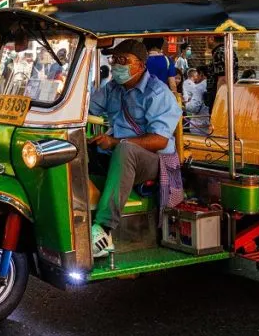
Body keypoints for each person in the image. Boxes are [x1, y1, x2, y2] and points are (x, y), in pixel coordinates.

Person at [88, 39, 183, 258]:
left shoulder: (157, 93)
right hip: (119, 152)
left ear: (140, 65)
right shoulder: (112, 87)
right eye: (114, 59)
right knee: (79, 149)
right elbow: (87, 107)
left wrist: (115, 142)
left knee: (125, 149)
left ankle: (104, 229)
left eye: (123, 60)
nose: (116, 65)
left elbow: (160, 140)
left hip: (154, 160)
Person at [206, 35, 238, 108]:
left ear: (211, 38)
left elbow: (223, 78)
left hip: (221, 95)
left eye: (206, 39)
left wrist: (219, 101)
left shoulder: (220, 52)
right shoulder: (227, 50)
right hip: (227, 94)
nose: (206, 42)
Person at [182, 67, 210, 135]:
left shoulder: (200, 87)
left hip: (199, 125)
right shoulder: (211, 85)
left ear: (201, 74)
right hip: (209, 123)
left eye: (197, 75)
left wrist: (184, 105)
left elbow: (193, 108)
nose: (196, 77)